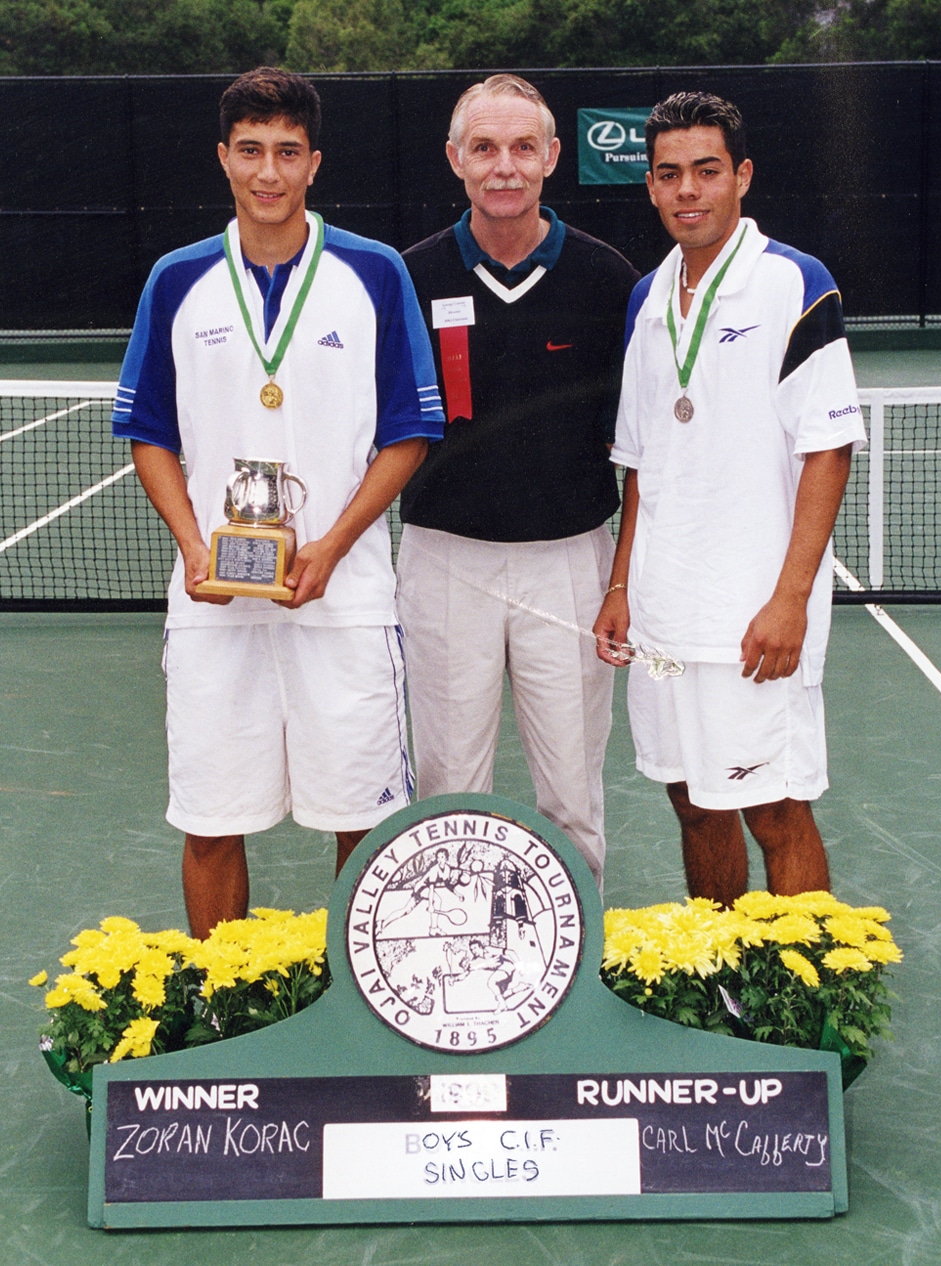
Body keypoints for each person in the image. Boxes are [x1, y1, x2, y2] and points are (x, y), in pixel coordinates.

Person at [111, 67, 444, 938]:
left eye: (287, 152)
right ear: (223, 157)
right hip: (212, 606)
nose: (269, 172)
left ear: (313, 162)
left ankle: (357, 1000)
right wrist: (194, 548)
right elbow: (149, 432)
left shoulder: (373, 273)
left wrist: (331, 547)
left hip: (344, 599)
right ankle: (222, 999)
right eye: (251, 150)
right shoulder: (176, 279)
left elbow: (408, 432)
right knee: (211, 819)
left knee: (364, 822)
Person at [593, 91, 866, 906]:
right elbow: (639, 463)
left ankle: (804, 975)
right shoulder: (645, 298)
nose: (687, 189)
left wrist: (789, 600)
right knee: (691, 803)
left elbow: (827, 450)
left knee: (775, 811)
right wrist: (620, 586)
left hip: (753, 619)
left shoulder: (794, 282)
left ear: (740, 176)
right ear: (649, 184)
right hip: (663, 615)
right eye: (669, 173)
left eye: (706, 170)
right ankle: (723, 970)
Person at [396, 74, 639, 890]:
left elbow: (634, 444)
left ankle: (577, 951)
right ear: (454, 159)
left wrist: (621, 580)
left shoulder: (608, 278)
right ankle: (443, 945)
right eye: (485, 148)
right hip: (443, 560)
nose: (504, 166)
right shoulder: (410, 276)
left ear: (552, 156)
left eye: (522, 147)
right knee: (447, 786)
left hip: (567, 563)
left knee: (570, 791)